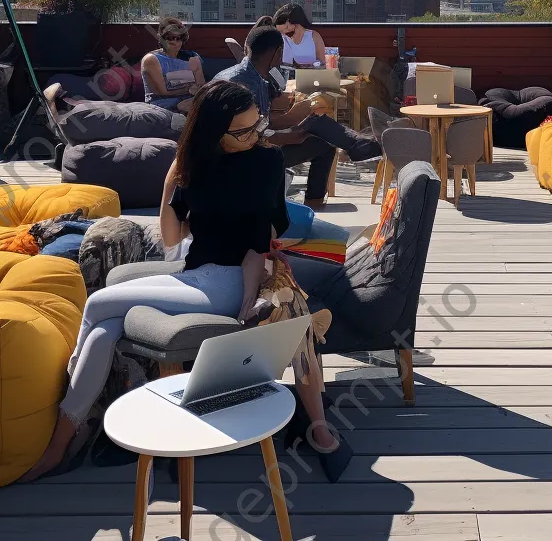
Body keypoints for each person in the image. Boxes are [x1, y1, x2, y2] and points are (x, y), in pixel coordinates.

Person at [22, 81, 350, 483]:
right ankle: (65, 439)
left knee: (97, 304)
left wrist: (249, 280)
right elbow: (173, 237)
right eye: (242, 131)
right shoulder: (195, 165)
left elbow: (263, 234)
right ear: (214, 131)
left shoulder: (265, 161)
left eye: (257, 126)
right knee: (104, 330)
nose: (254, 136)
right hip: (197, 276)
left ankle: (68, 405)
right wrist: (169, 184)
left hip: (228, 283)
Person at [214, 24, 381, 207]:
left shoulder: (247, 75)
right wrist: (289, 137)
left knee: (315, 122)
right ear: (277, 53)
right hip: (244, 159)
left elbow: (260, 124)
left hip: (240, 148)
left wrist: (297, 121)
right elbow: (250, 136)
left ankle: (359, 145)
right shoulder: (245, 84)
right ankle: (359, 150)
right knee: (324, 146)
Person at [140, 17, 205, 113]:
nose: (173, 41)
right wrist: (188, 89)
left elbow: (200, 86)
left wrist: (197, 90)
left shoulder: (193, 57)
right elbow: (163, 92)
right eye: (169, 37)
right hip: (161, 105)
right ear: (162, 38)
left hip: (190, 101)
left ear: (183, 40)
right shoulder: (151, 60)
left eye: (177, 38)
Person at [274, 2, 327, 68]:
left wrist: (309, 66)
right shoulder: (281, 39)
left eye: (287, 27)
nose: (284, 33)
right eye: (281, 31)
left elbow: (322, 62)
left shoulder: (314, 36)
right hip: (288, 75)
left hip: (311, 75)